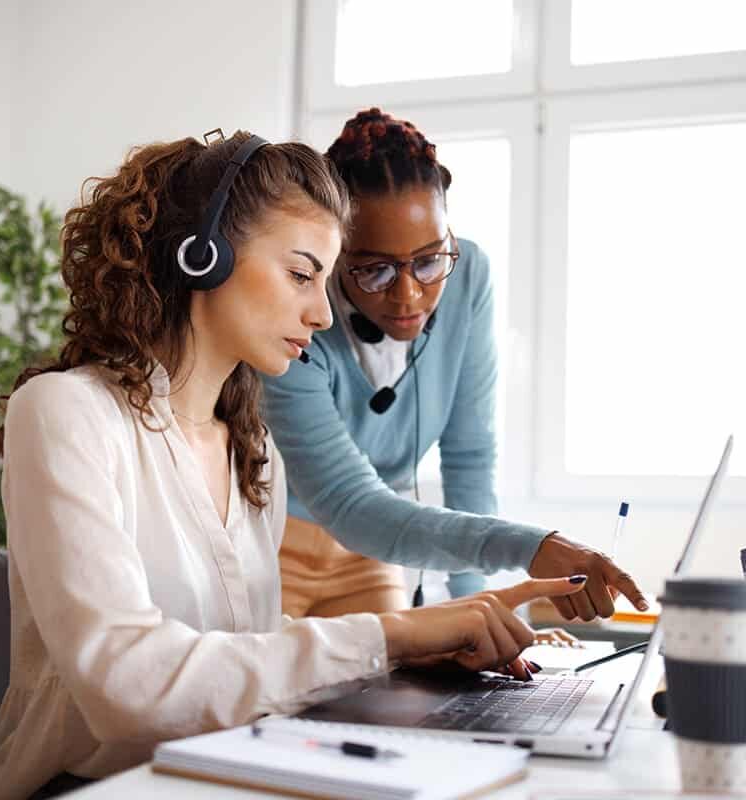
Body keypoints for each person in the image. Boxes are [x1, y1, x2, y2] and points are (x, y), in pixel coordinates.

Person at [0, 131, 589, 800]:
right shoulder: (66, 413)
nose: (323, 314)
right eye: (301, 274)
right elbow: (130, 687)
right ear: (203, 256)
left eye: (326, 281)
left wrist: (409, 648)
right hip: (84, 785)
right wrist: (391, 633)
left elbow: (239, 650)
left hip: (217, 778)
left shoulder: (252, 449)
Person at [263, 108, 649, 623]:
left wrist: (486, 604)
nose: (409, 295)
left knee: (392, 693)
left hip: (372, 548)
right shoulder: (297, 306)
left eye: (429, 261)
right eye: (374, 270)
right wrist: (531, 547)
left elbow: (469, 455)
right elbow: (347, 500)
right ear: (336, 253)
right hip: (278, 536)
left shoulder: (470, 278)